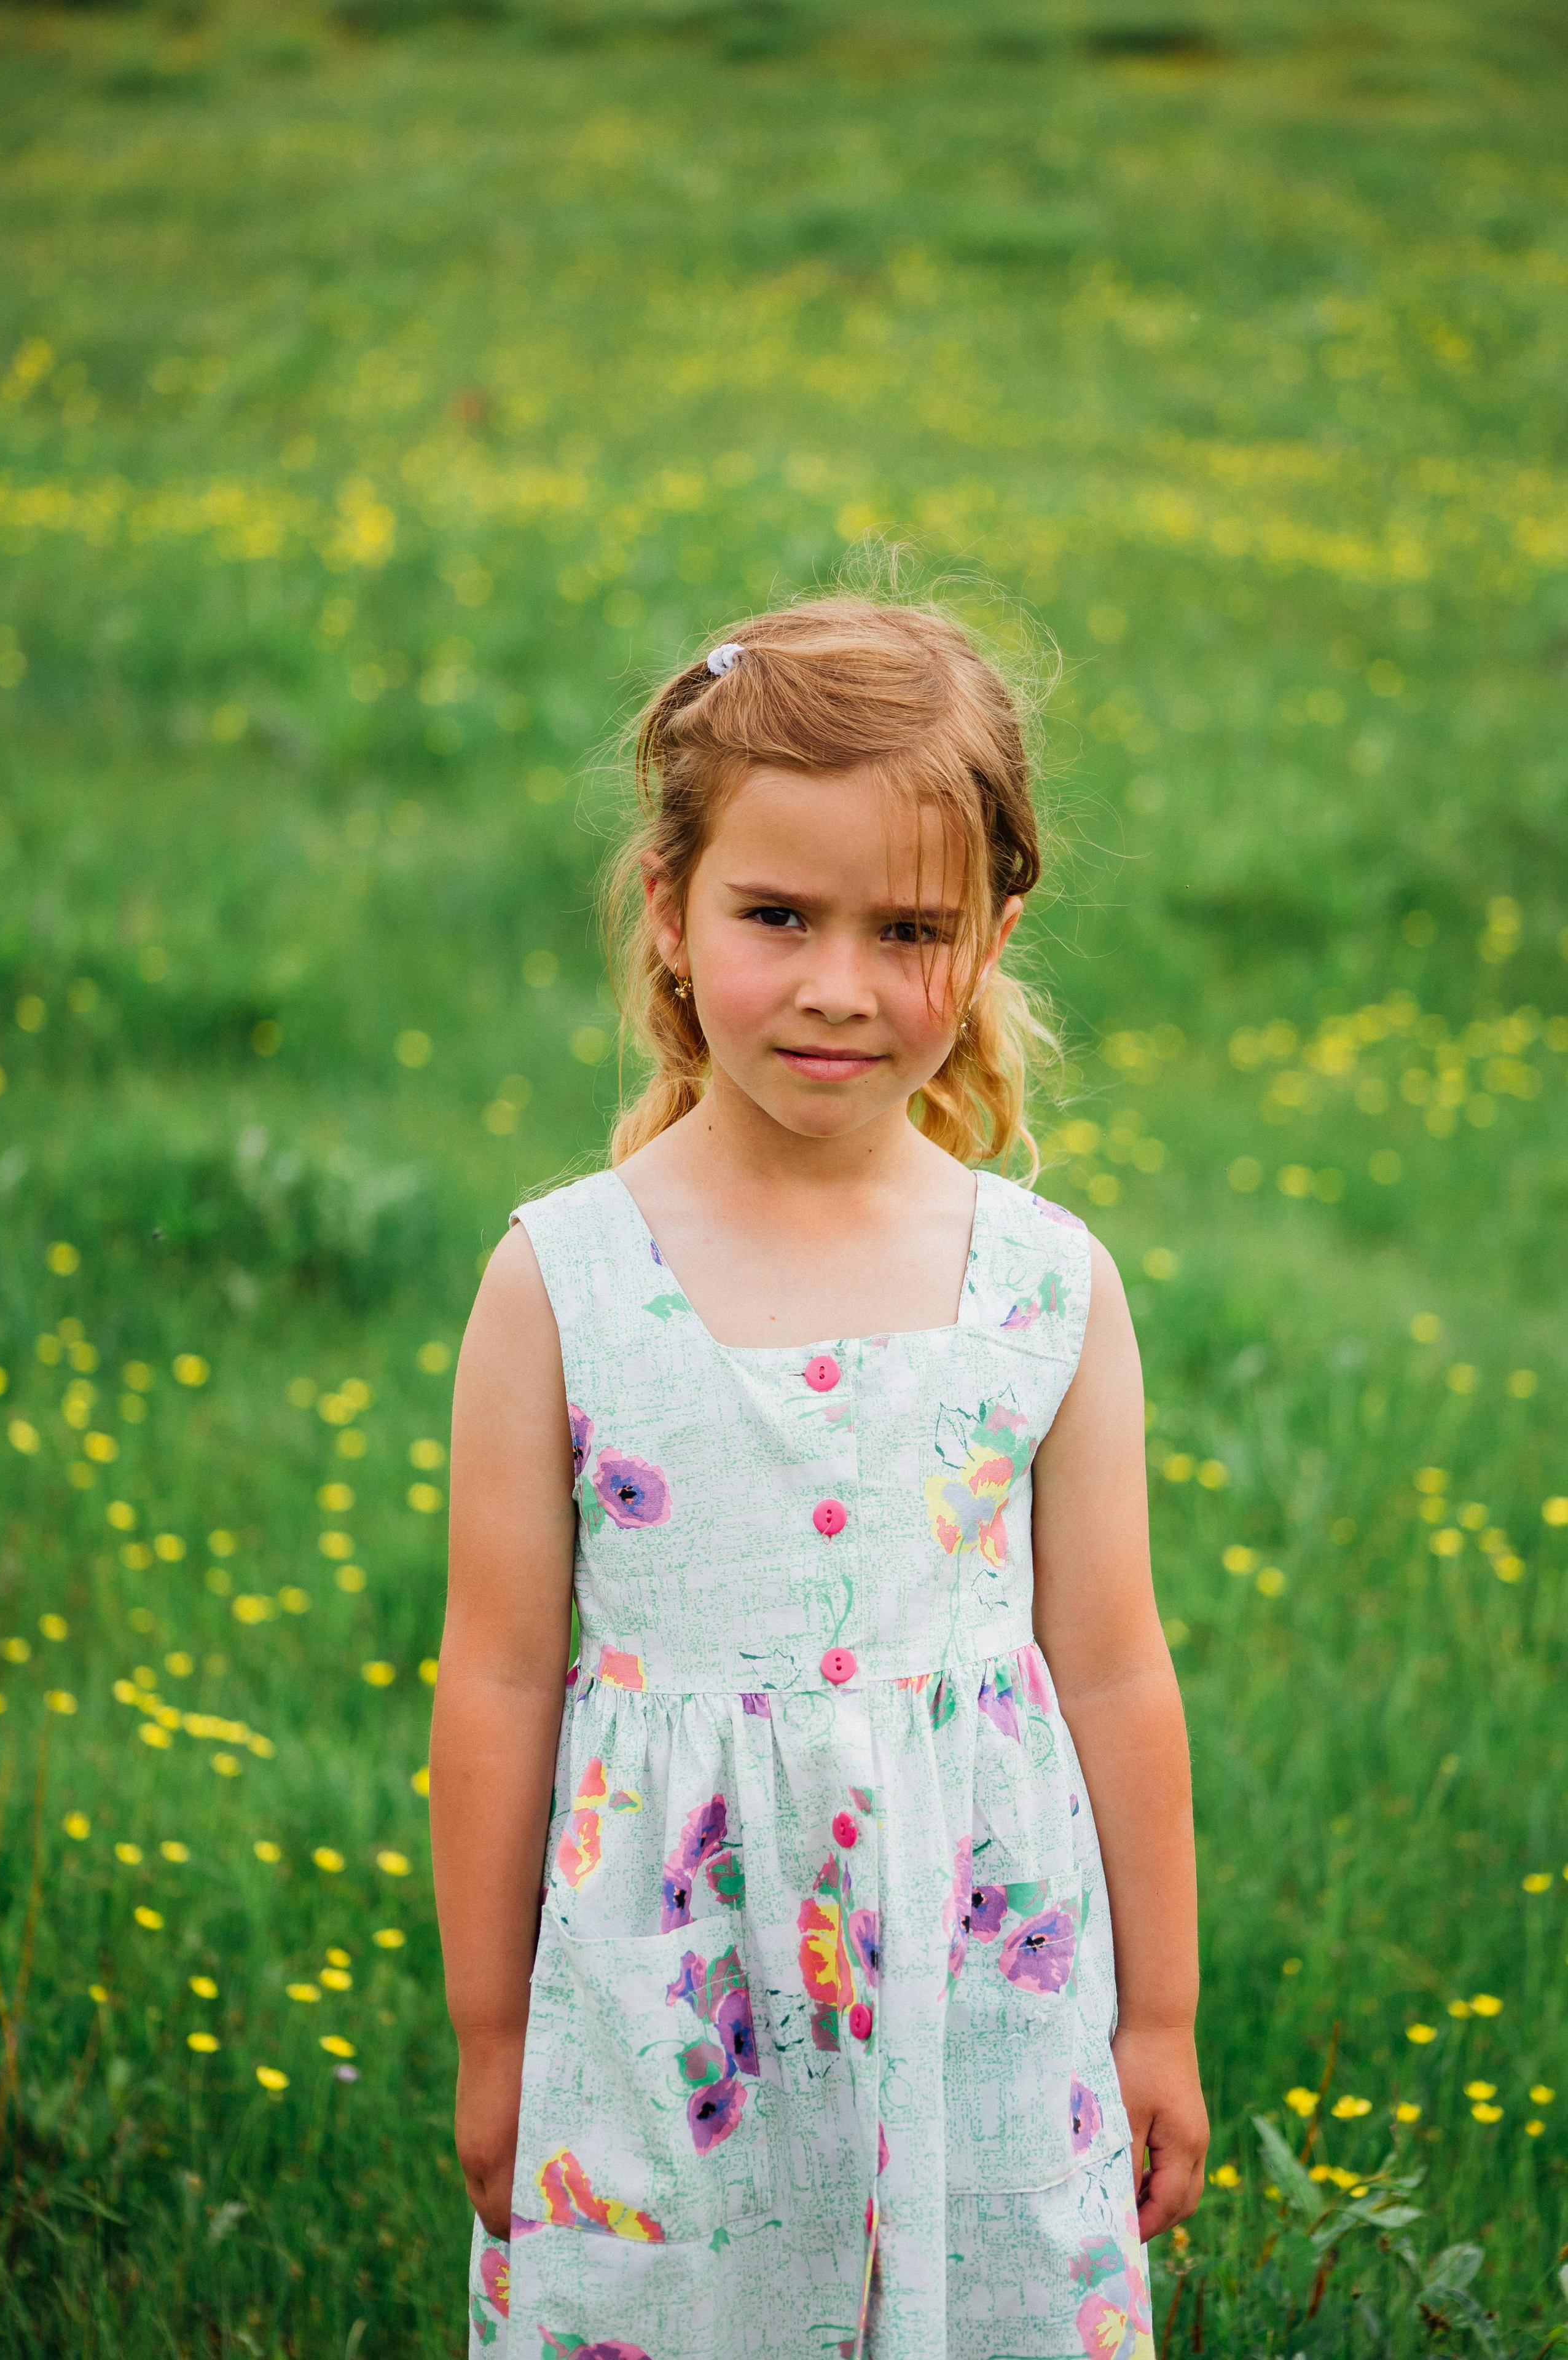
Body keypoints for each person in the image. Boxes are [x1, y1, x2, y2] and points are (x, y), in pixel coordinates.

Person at [433, 596, 1207, 2360]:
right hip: (665, 1997)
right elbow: (493, 1674)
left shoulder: (1044, 1285)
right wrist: (497, 2039)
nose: (840, 983)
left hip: (978, 1995)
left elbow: (1110, 1664)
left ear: (999, 931)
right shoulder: (561, 1281)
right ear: (672, 912)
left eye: (910, 928)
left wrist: (1155, 2019)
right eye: (778, 915)